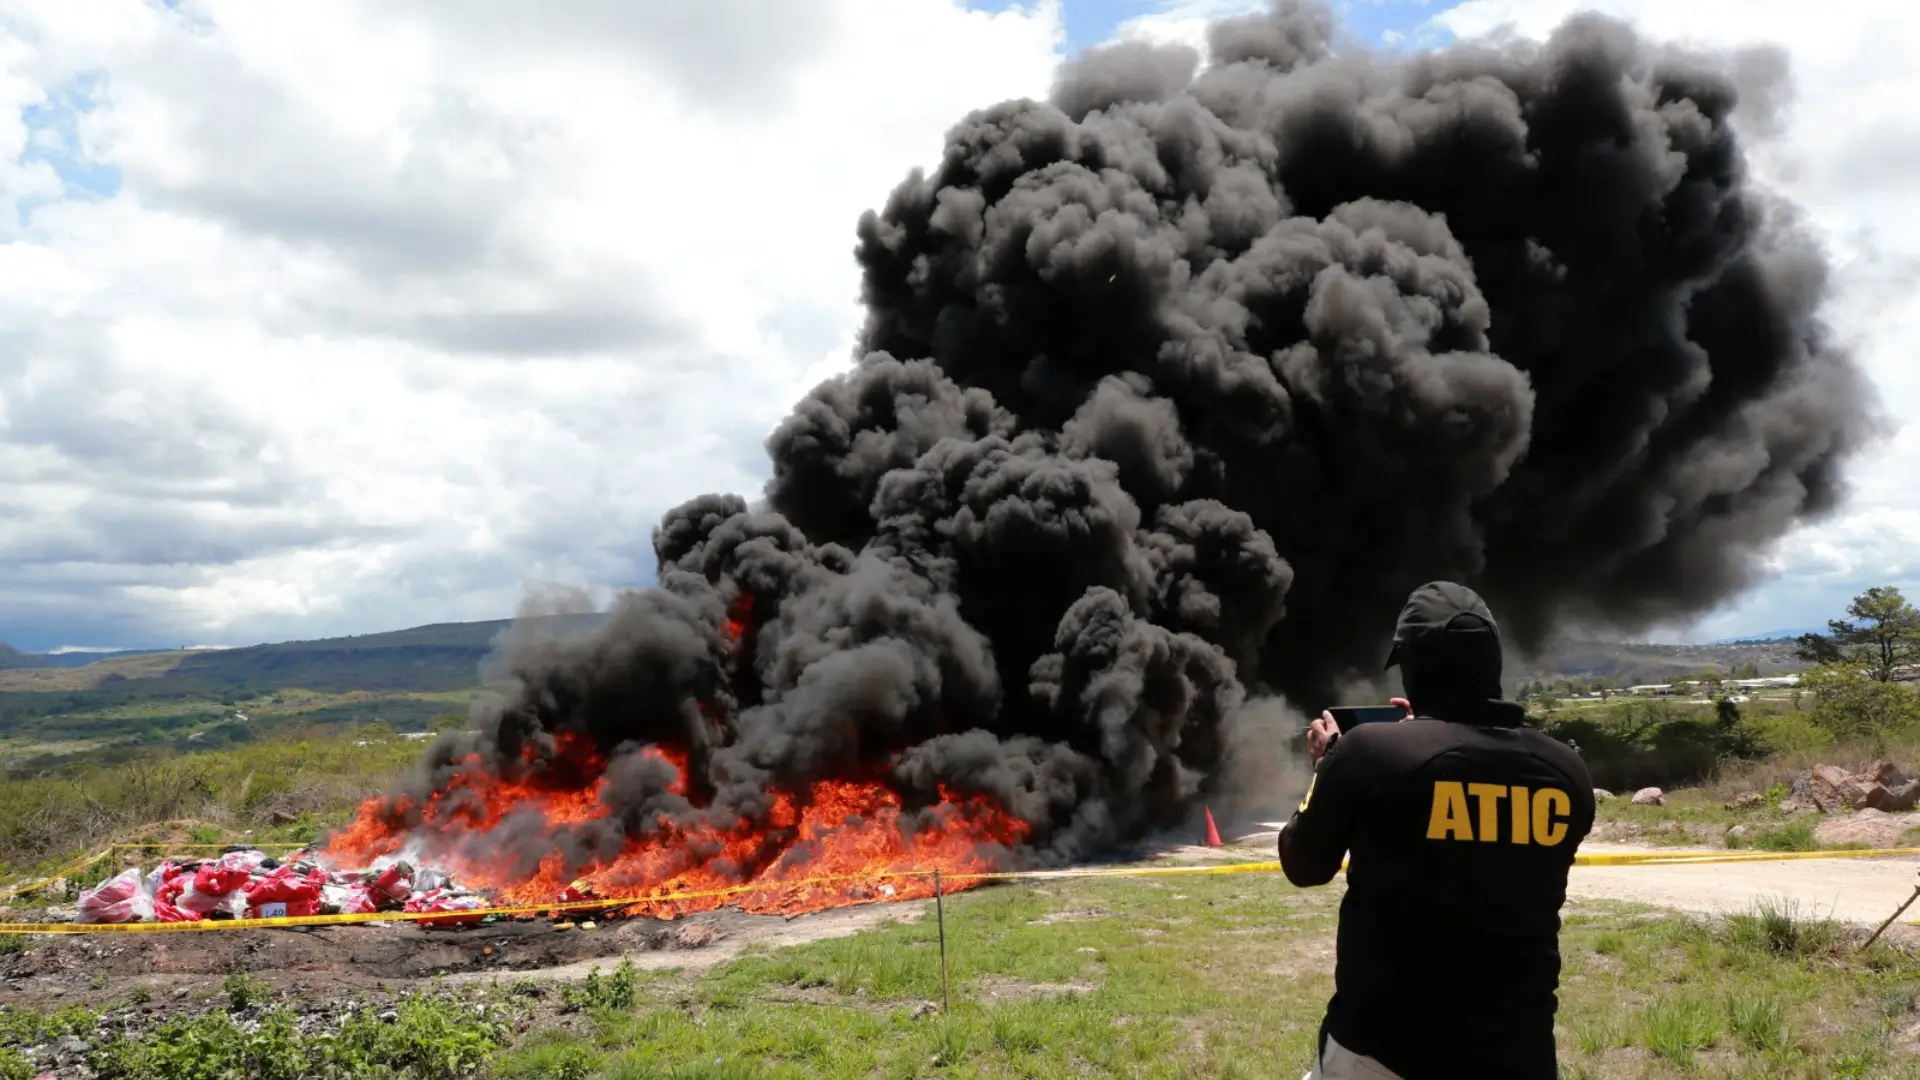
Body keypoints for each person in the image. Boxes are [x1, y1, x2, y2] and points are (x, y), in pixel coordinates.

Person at [1279, 581, 1596, 1080]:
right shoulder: (1566, 770)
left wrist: (1328, 765)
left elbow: (1303, 865)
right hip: (1519, 1053)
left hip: (1384, 1051)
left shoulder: (1367, 754)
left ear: (1413, 666)